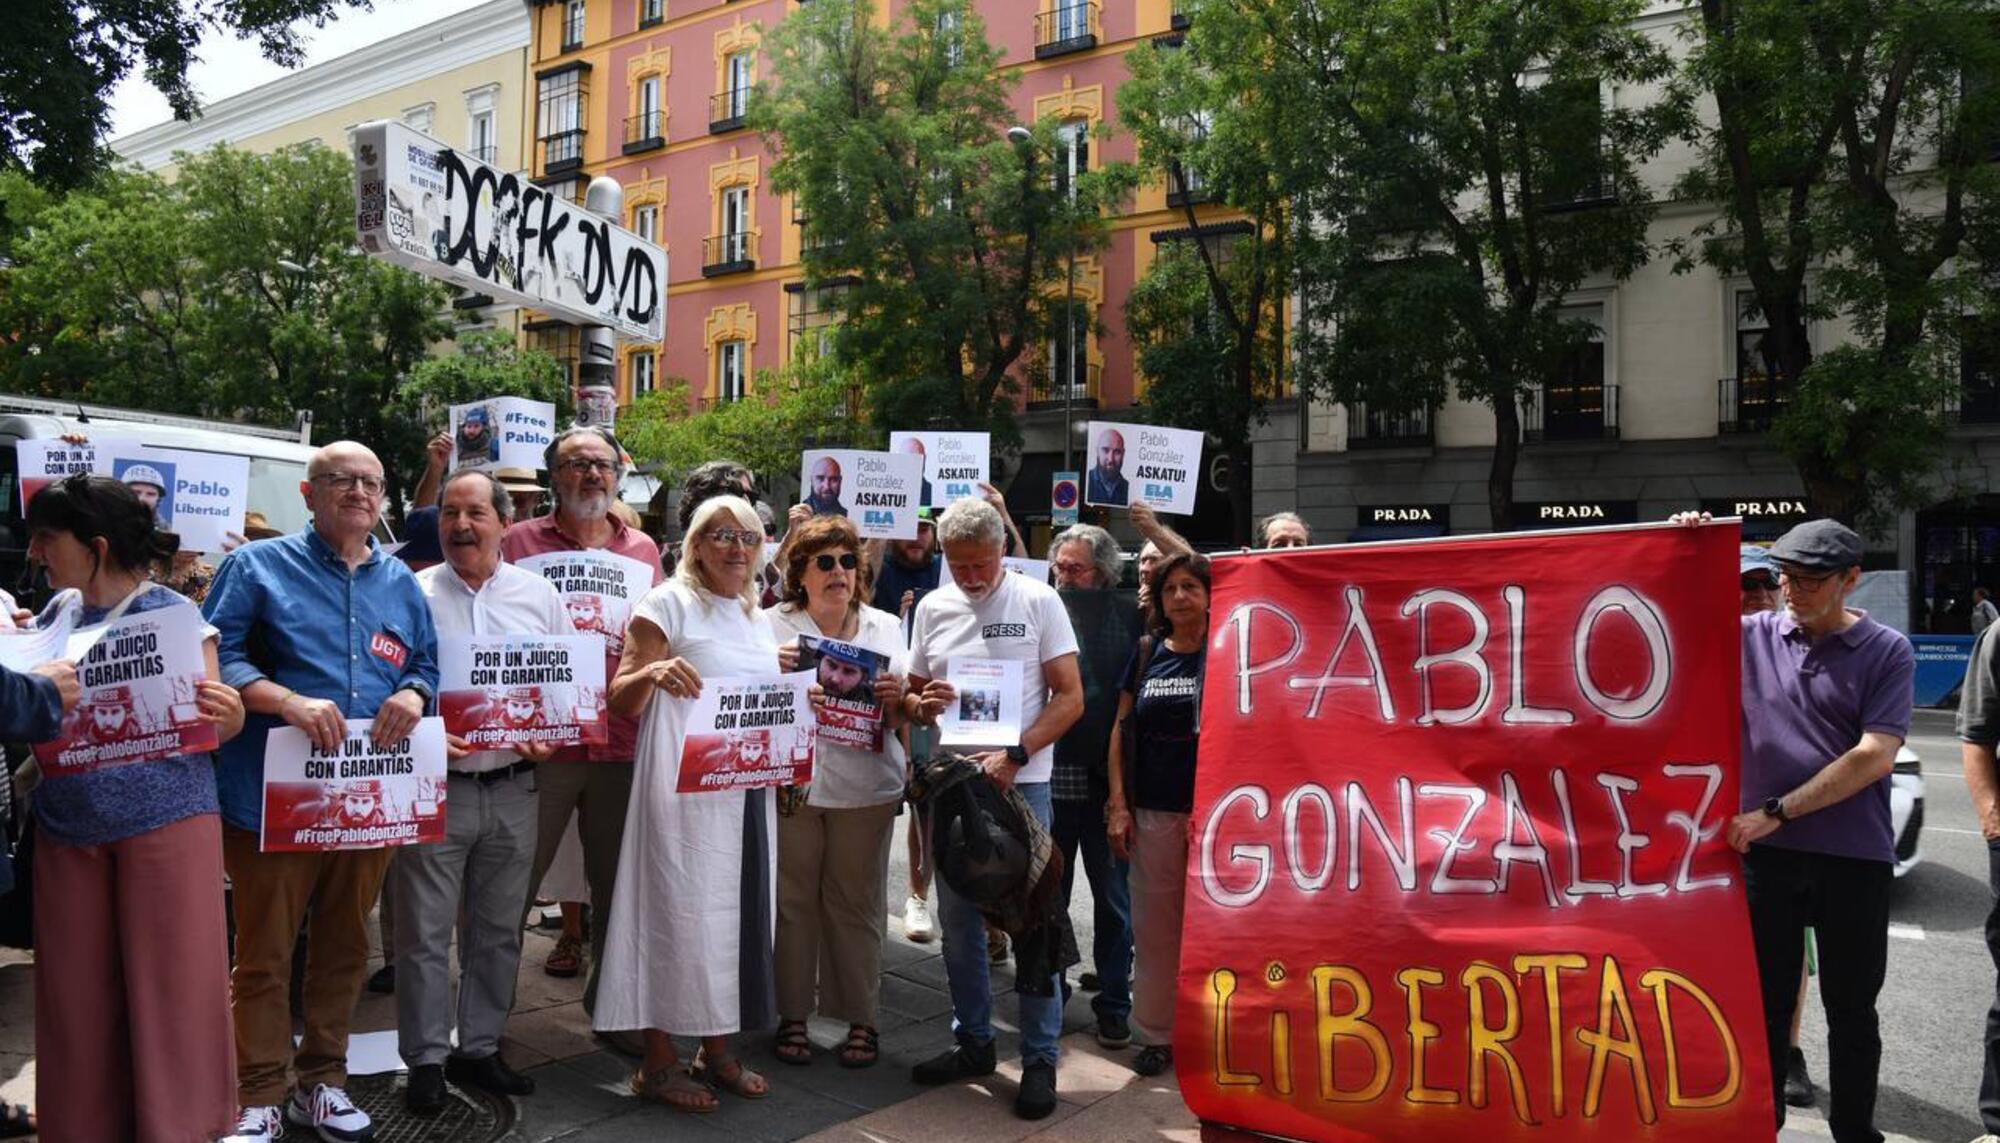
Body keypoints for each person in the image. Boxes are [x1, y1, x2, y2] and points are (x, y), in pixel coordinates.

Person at [203, 441, 439, 1143]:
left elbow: (427, 660)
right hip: (272, 798)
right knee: (265, 952)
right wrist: (286, 701)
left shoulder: (399, 581)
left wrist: (414, 691)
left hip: (367, 798)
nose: (359, 492)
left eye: (371, 481)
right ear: (309, 495)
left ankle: (324, 1083)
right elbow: (219, 653)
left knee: (344, 946)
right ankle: (259, 1094)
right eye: (341, 480)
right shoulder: (255, 566)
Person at [26, 474, 244, 1142]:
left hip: (167, 821)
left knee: (173, 987)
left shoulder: (175, 617)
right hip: (69, 825)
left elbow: (212, 725)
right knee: (75, 993)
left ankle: (176, 1126)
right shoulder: (48, 619)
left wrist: (230, 715)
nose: (34, 552)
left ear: (93, 544)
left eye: (45, 538)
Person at [1696, 515, 1914, 1142]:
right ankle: (1761, 1127)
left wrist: (1777, 811)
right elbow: (1666, 609)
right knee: (1761, 1010)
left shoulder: (1887, 650)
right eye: (1788, 578)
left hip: (1851, 857)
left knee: (1851, 1012)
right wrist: (1691, 539)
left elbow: (1876, 754)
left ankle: (1854, 1132)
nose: (1793, 591)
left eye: (1811, 580)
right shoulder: (1748, 634)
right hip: (1769, 859)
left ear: (1852, 579)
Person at [902, 498, 1084, 1120]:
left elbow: (1071, 697)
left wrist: (1015, 753)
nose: (971, 578)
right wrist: (923, 703)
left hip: (1021, 785)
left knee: (1034, 927)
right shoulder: (932, 605)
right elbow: (913, 694)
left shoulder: (1039, 601)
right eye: (959, 566)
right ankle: (974, 1042)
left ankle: (1039, 1059)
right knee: (958, 929)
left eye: (981, 565)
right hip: (954, 786)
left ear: (1002, 552)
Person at [596, 494, 778, 1112]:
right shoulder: (667, 602)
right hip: (680, 793)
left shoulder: (757, 615)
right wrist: (653, 674)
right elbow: (619, 696)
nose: (736, 547)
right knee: (673, 913)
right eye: (721, 534)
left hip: (744, 790)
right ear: (695, 543)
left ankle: (716, 1049)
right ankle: (658, 1061)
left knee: (731, 920)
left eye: (748, 537)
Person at [398, 470, 566, 1113]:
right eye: (449, 513)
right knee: (424, 935)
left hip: (516, 785)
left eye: (474, 513)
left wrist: (552, 731)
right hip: (435, 787)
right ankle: (426, 1060)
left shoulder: (538, 594)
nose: (460, 525)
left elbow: (557, 679)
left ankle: (480, 1048)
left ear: (503, 522)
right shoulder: (410, 593)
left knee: (499, 932)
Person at [503, 425, 663, 1036]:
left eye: (601, 465)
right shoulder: (516, 540)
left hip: (622, 739)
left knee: (618, 888)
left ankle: (614, 1015)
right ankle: (488, 1021)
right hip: (541, 741)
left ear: (617, 477)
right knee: (512, 882)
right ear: (553, 477)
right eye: (576, 464)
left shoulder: (645, 551)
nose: (591, 475)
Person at [764, 517, 909, 1069]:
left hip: (867, 788)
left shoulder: (885, 628)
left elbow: (899, 715)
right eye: (824, 562)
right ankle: (793, 1014)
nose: (839, 572)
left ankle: (861, 1019)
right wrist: (771, 675)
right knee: (793, 903)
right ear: (799, 572)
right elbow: (743, 707)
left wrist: (900, 697)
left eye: (848, 561)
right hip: (793, 784)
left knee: (857, 904)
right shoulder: (769, 626)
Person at [1105, 552, 1210, 1078]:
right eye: (1171, 589)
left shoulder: (1231, 652)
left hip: (1221, 818)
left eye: (1192, 586)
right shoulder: (1147, 653)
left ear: (1210, 595)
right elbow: (1122, 731)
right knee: (1155, 930)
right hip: (1154, 811)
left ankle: (1216, 1033)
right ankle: (1156, 1035)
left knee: (1215, 930)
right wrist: (1119, 805)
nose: (1180, 597)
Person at [1046, 522, 1138, 1050]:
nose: (1064, 576)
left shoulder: (1127, 615)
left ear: (1103, 574)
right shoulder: (1045, 607)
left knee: (1113, 902)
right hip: (1054, 779)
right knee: (1049, 899)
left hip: (1108, 787)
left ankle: (1113, 1006)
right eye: (1059, 566)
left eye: (1075, 569)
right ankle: (1050, 994)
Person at [1086, 429, 1128, 507]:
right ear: (1097, 451)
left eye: (1117, 452)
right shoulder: (1085, 482)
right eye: (1105, 450)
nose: (1110, 459)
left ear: (1123, 454)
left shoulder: (1129, 488)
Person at [901, 436, 935, 507]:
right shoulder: (892, 490)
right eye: (911, 457)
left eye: (920, 457)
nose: (916, 463)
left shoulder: (933, 492)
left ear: (925, 458)